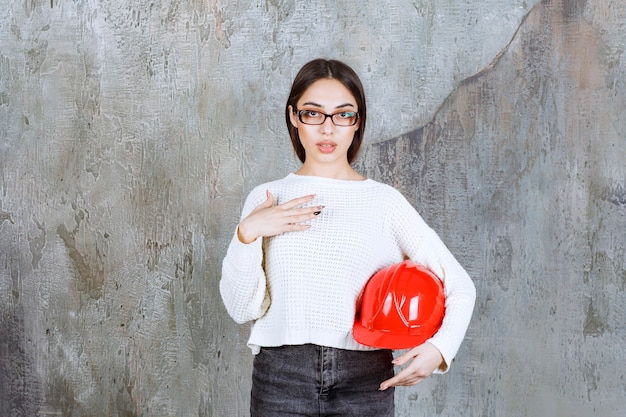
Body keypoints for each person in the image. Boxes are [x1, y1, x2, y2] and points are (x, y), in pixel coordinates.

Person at [220, 58, 476, 417]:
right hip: (281, 377)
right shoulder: (267, 198)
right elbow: (240, 308)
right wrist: (247, 233)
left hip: (364, 377)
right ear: (293, 116)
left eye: (343, 115)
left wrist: (441, 348)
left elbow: (460, 285)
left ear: (357, 122)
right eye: (313, 114)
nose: (328, 129)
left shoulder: (385, 203)